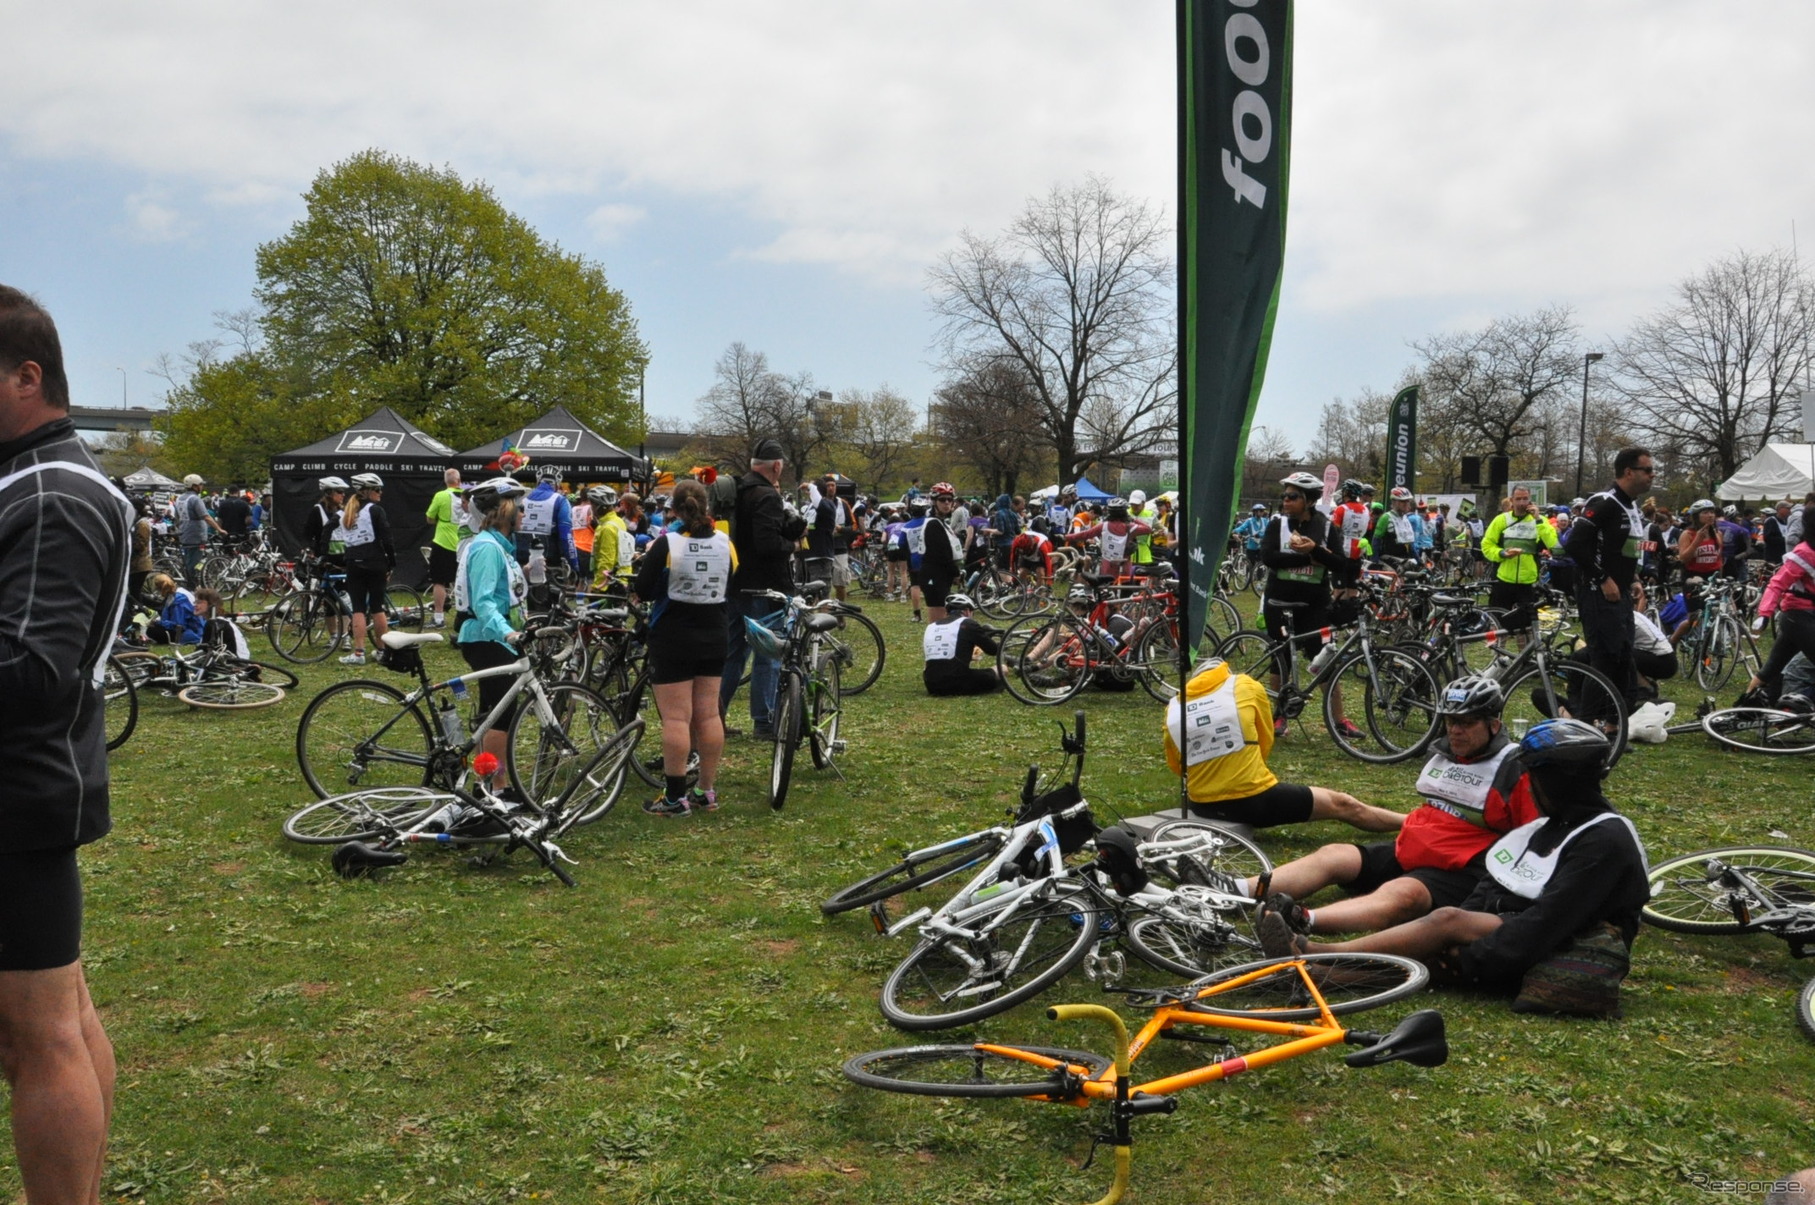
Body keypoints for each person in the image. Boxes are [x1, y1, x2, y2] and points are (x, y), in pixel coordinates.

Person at [0, 284, 131, 1203]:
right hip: (27, 789)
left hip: (16, 793)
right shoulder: (36, 481)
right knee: (53, 1020)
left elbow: (34, 672)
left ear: (26, 376)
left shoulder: (54, 490)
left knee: (41, 1032)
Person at [1259, 720, 1650, 1007]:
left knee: (1447, 923)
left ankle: (1314, 953)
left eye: (1532, 778)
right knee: (1440, 934)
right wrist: (1451, 941)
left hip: (1563, 950)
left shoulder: (1604, 841)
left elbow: (1551, 923)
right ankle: (1312, 975)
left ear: (1556, 782)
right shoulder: (1555, 823)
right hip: (1513, 932)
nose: (1526, 786)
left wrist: (1470, 957)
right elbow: (1498, 881)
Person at [1242, 676, 1539, 935]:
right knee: (1335, 855)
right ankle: (1236, 892)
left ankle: (1302, 920)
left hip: (1461, 869)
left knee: (1403, 895)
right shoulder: (1445, 753)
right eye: (1450, 721)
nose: (1455, 731)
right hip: (1411, 848)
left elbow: (1533, 838)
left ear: (1494, 725)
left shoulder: (1513, 769)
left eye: (1466, 722)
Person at [1162, 657, 1404, 831]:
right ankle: (1409, 822)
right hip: (1253, 799)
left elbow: (1176, 765)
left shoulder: (1172, 707)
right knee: (1343, 804)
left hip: (1201, 804)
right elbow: (1265, 739)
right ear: (1225, 671)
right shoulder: (1244, 685)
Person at [634, 478, 734, 816]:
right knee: (708, 714)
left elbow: (644, 590)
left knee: (676, 718)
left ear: (673, 509)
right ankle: (706, 790)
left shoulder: (666, 544)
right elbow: (731, 581)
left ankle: (675, 797)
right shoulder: (726, 542)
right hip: (715, 634)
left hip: (673, 635)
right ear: (707, 507)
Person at [1256, 472, 1360, 740]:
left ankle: (1339, 720)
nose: (1286, 501)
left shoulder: (1325, 527)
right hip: (1278, 601)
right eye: (1285, 496)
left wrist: (1315, 550)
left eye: (1292, 497)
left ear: (1309, 501)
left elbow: (1340, 563)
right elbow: (1268, 557)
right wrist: (1304, 557)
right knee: (1280, 660)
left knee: (1325, 658)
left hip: (1314, 603)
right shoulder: (1276, 523)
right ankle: (1279, 715)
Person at [720, 439, 807, 738]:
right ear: (777, 466)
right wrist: (792, 544)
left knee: (734, 653)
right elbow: (768, 544)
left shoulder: (739, 490)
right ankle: (764, 719)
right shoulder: (766, 496)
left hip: (736, 583)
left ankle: (714, 717)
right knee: (768, 653)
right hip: (764, 587)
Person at [1561, 446, 1656, 712]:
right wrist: (1603, 578)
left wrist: (1634, 578)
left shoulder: (1630, 505)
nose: (1653, 475)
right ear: (1628, 472)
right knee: (1604, 659)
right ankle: (1585, 725)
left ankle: (1614, 724)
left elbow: (1624, 549)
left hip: (1621, 592)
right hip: (1597, 592)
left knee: (1624, 658)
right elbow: (1574, 544)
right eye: (1647, 470)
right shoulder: (1605, 501)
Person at [453, 477, 531, 791]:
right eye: (520, 507)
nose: (524, 513)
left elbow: (502, 593)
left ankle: (488, 783)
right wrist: (508, 632)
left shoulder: (499, 546)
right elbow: (483, 601)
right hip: (487, 637)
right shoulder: (487, 547)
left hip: (495, 637)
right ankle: (496, 786)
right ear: (506, 509)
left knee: (494, 713)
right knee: (502, 715)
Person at [1743, 506, 1815, 704]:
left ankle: (1745, 708)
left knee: (1771, 669)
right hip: (1798, 616)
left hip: (1805, 617)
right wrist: (1764, 613)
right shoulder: (1803, 553)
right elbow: (1777, 584)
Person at [1479, 485, 1558, 637]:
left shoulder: (1540, 521)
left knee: (1525, 627)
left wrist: (1538, 521)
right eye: (1518, 499)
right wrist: (1501, 553)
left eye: (1525, 499)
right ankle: (1498, 658)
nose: (1522, 503)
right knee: (1498, 625)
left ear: (1530, 500)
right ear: (1511, 500)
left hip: (1527, 582)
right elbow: (1486, 545)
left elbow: (1552, 544)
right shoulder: (1501, 520)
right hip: (1503, 579)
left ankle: (1524, 660)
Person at [334, 473, 395, 667]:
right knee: (377, 608)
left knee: (358, 608)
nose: (380, 493)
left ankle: (358, 653)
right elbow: (387, 539)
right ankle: (382, 651)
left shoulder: (346, 511)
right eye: (377, 489)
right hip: (376, 562)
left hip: (354, 563)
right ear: (367, 491)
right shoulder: (376, 510)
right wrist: (391, 563)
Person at [921, 592, 1004, 696]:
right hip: (957, 683)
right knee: (1002, 668)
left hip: (931, 684)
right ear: (967, 611)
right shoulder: (967, 623)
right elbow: (993, 650)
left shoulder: (931, 627)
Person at [517, 465, 577, 586]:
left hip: (519, 558)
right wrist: (575, 565)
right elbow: (566, 537)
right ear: (557, 484)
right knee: (549, 601)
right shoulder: (560, 500)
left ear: (538, 481)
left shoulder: (522, 497)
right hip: (548, 561)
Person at [915, 482, 965, 623]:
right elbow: (942, 554)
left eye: (950, 499)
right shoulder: (933, 524)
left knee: (942, 617)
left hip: (941, 575)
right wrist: (955, 573)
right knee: (938, 622)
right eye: (942, 499)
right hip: (934, 575)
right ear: (934, 502)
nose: (947, 503)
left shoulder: (942, 523)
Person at [1066, 496, 1151, 579]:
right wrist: (1132, 519)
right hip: (1124, 565)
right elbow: (1148, 529)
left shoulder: (1103, 526)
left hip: (1107, 566)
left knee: (1105, 588)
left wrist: (1066, 537)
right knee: (1125, 587)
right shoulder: (1130, 527)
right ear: (1124, 512)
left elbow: (1085, 534)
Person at [424, 469, 465, 628]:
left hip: (442, 542)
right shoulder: (468, 496)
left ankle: (439, 617)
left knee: (439, 581)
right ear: (459, 480)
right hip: (463, 543)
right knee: (462, 581)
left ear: (446, 481)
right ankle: (464, 615)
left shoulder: (441, 496)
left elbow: (429, 518)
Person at [174, 472, 224, 586]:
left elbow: (177, 518)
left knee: (188, 559)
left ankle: (188, 580)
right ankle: (191, 585)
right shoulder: (195, 499)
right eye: (200, 484)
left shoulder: (179, 499)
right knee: (195, 561)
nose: (202, 487)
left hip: (184, 533)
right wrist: (219, 529)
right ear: (194, 486)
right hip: (197, 535)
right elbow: (206, 516)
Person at [590, 486, 632, 591]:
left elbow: (606, 560)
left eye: (593, 505)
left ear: (599, 507)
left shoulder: (607, 528)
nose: (591, 508)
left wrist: (598, 586)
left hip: (609, 584)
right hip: (622, 577)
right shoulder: (618, 521)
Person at [144, 573, 204, 645]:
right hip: (193, 629)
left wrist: (158, 622)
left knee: (152, 631)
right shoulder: (180, 592)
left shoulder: (178, 600)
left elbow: (179, 625)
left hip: (190, 633)